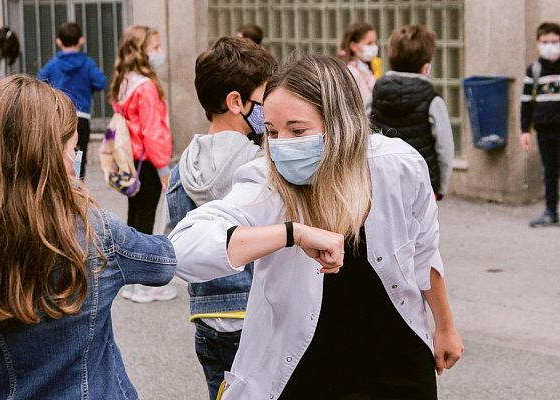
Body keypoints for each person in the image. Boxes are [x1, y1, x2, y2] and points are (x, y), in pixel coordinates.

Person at [170, 54, 463, 399]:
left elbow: (424, 255)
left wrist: (445, 327)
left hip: (398, 363)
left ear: (340, 122)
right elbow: (183, 248)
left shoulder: (398, 165)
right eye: (272, 131)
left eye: (297, 130)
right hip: (307, 370)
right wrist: (292, 233)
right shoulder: (265, 181)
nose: (282, 146)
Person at [0, 74, 177, 399]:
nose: (75, 158)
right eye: (73, 148)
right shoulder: (94, 230)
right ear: (53, 156)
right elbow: (163, 262)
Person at [166, 36, 276, 399]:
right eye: (262, 99)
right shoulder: (258, 165)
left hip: (206, 322)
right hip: (255, 319)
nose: (267, 110)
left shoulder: (183, 167)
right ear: (235, 102)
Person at [108, 25, 176, 302]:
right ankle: (146, 284)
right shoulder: (146, 87)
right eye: (155, 47)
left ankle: (130, 279)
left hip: (129, 159)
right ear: (141, 51)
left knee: (135, 218)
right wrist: (163, 168)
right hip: (147, 162)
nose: (160, 53)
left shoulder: (125, 80)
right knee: (148, 220)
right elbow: (153, 131)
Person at [371, 24, 454, 201]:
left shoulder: (376, 91)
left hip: (381, 180)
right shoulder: (432, 99)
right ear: (425, 67)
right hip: (422, 184)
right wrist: (440, 187)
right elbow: (445, 148)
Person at [39, 22, 107, 179]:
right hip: (82, 116)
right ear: (81, 40)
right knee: (78, 157)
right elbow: (100, 82)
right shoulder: (88, 64)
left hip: (57, 115)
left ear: (58, 41)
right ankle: (77, 188)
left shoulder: (53, 65)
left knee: (56, 156)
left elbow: (39, 83)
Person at [521, 22, 560, 227]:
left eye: (555, 41)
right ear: (538, 43)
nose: (550, 46)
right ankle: (551, 211)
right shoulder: (534, 70)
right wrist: (524, 130)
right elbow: (526, 102)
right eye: (545, 42)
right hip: (544, 130)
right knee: (549, 172)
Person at [339, 21, 379, 111]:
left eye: (375, 42)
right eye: (369, 43)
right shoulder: (351, 72)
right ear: (353, 46)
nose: (374, 47)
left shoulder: (367, 69)